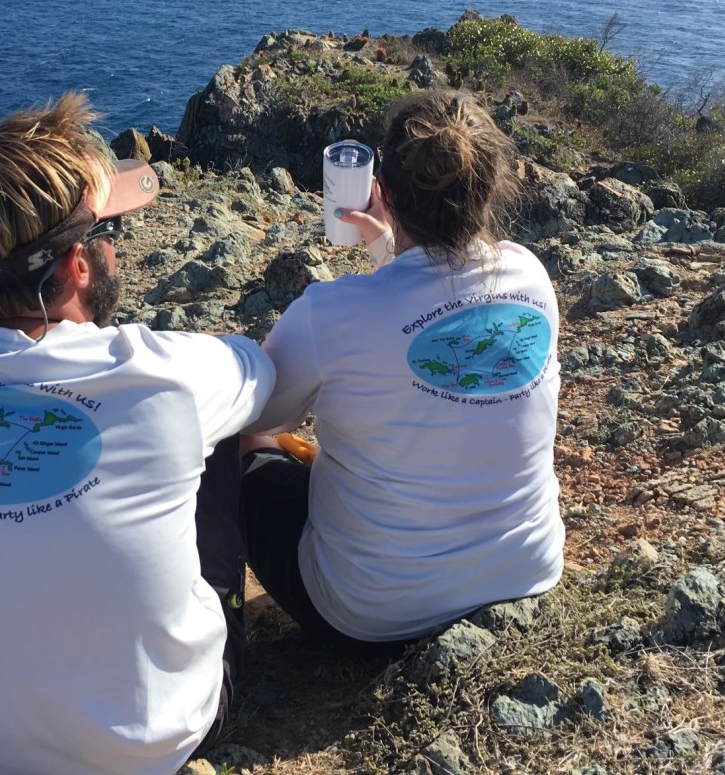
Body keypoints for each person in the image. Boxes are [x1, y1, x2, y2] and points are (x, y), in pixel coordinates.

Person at [0, 92, 275, 775]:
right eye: (111, 234)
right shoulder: (163, 378)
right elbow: (259, 374)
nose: (116, 249)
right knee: (221, 431)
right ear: (79, 264)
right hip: (150, 748)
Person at [239, 88, 564, 650]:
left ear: (383, 192)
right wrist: (387, 247)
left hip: (371, 614)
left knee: (243, 444)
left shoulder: (330, 313)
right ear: (489, 192)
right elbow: (432, 295)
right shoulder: (530, 277)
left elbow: (252, 412)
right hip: (524, 573)